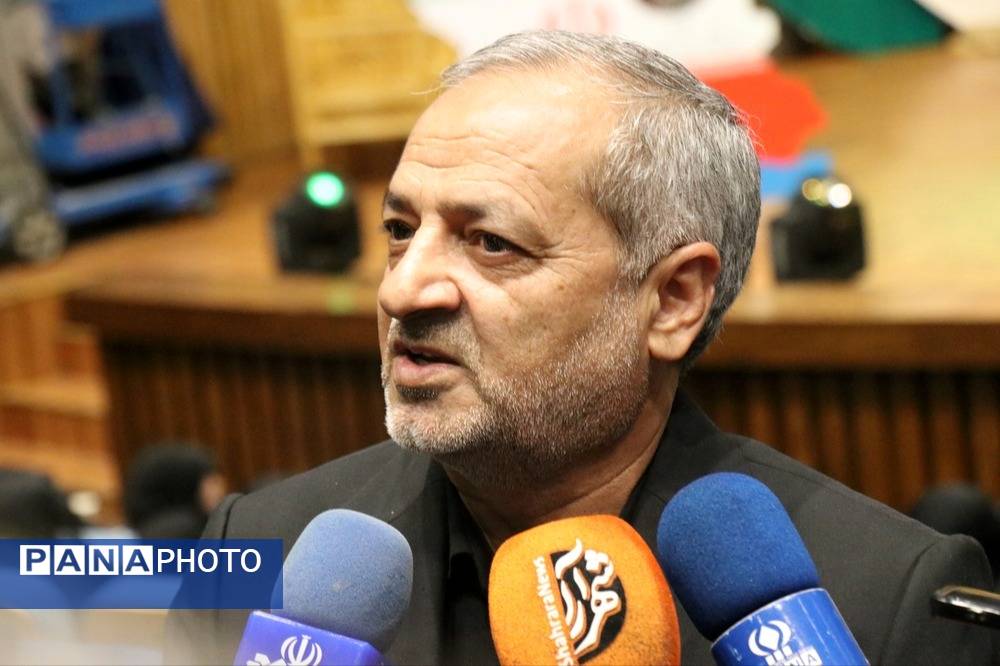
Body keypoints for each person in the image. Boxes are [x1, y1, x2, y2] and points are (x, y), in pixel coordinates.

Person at [167, 31, 993, 664]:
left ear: (673, 300)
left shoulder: (883, 604)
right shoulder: (260, 549)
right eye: (400, 229)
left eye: (491, 243)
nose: (402, 291)